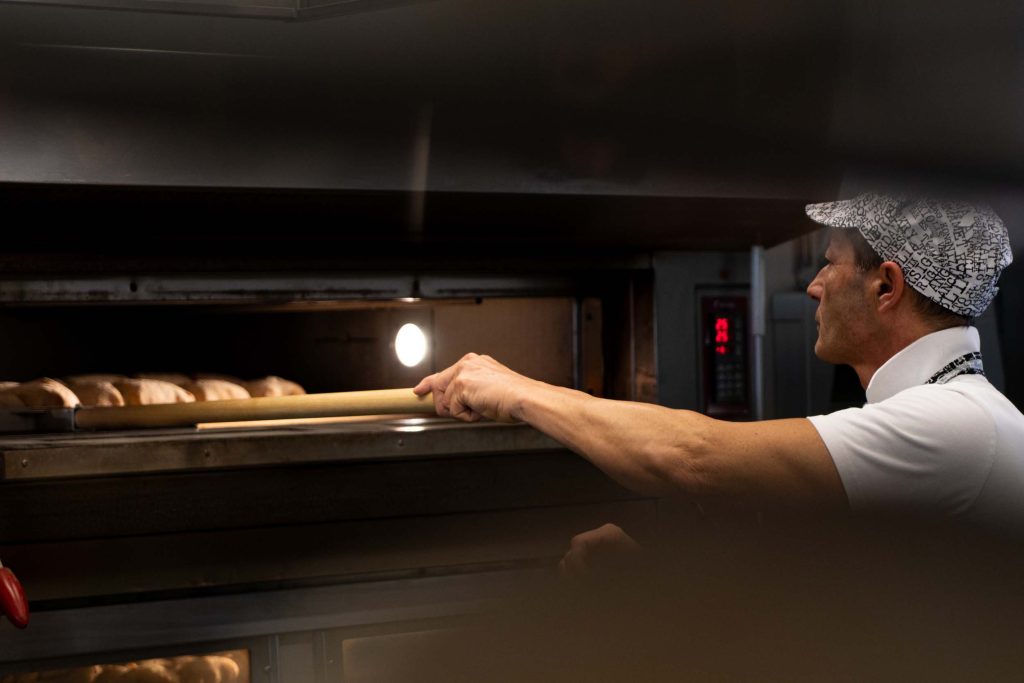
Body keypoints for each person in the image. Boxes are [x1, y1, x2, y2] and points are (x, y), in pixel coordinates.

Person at [413, 193, 1024, 567]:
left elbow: (693, 456)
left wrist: (516, 390)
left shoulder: (954, 426)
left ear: (885, 286)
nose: (813, 286)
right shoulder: (950, 418)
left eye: (829, 264)